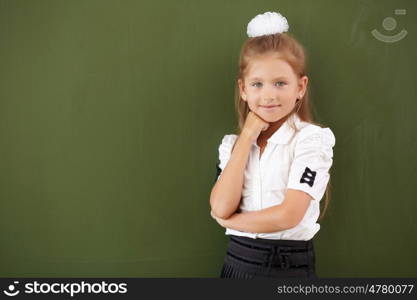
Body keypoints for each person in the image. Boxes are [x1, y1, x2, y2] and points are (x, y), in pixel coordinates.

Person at [209, 11, 336, 278]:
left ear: (300, 87)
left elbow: (289, 214)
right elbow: (220, 206)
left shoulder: (311, 139)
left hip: (285, 265)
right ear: (243, 90)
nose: (269, 95)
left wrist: (231, 223)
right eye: (257, 84)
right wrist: (247, 136)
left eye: (280, 83)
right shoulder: (232, 146)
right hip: (236, 260)